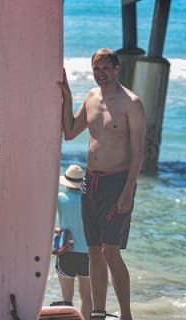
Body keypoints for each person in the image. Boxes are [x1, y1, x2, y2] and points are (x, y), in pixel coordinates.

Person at [58, 48, 146, 320]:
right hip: (90, 183)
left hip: (117, 183)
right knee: (93, 251)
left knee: (111, 252)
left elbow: (139, 152)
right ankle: (98, 312)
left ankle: (126, 314)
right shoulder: (92, 97)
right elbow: (71, 132)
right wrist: (67, 97)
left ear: (117, 69)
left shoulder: (131, 102)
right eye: (96, 69)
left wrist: (128, 191)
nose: (100, 74)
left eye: (106, 68)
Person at [54, 164, 92, 320]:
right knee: (87, 297)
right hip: (88, 254)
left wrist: (57, 230)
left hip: (67, 252)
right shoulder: (89, 201)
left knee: (67, 299)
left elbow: (44, 219)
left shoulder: (60, 199)